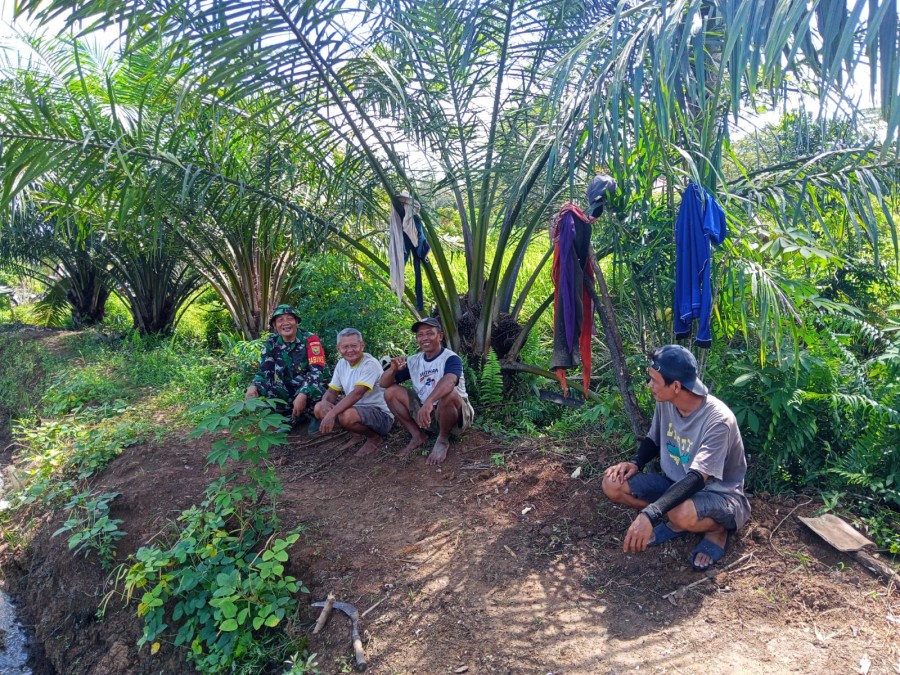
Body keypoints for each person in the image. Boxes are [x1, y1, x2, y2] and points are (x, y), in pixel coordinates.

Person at [601, 344, 750, 571]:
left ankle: (715, 530)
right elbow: (654, 439)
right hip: (675, 484)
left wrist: (651, 513)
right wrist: (635, 463)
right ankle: (678, 519)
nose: (649, 385)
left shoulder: (718, 420)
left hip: (718, 495)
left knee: (678, 511)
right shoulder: (667, 402)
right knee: (612, 483)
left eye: (654, 380)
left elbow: (698, 478)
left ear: (677, 386)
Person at [380, 317, 474, 465]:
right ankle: (417, 435)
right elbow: (384, 383)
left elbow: (449, 381)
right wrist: (393, 369)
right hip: (428, 415)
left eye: (429, 333)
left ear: (440, 336)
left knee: (449, 394)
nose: (424, 338)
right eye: (420, 335)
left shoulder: (451, 358)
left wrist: (429, 401)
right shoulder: (414, 361)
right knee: (390, 392)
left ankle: (443, 439)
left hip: (456, 416)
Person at [313, 328, 394, 457]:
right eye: (345, 347)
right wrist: (324, 403)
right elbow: (332, 391)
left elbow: (357, 393)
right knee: (319, 408)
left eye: (354, 346)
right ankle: (357, 432)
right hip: (357, 410)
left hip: (380, 414)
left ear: (362, 346)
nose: (350, 350)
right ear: (338, 349)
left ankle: (374, 437)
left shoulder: (370, 364)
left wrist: (332, 414)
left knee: (346, 415)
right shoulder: (342, 363)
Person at [245, 304, 330, 428]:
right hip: (290, 386)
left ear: (296, 321)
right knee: (268, 393)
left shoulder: (311, 339)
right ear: (275, 325)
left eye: (290, 318)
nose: (286, 323)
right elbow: (265, 372)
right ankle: (293, 417)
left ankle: (314, 416)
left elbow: (317, 372)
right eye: (280, 320)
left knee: (317, 391)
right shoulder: (271, 343)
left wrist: (303, 393)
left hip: (314, 385)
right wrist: (253, 386)